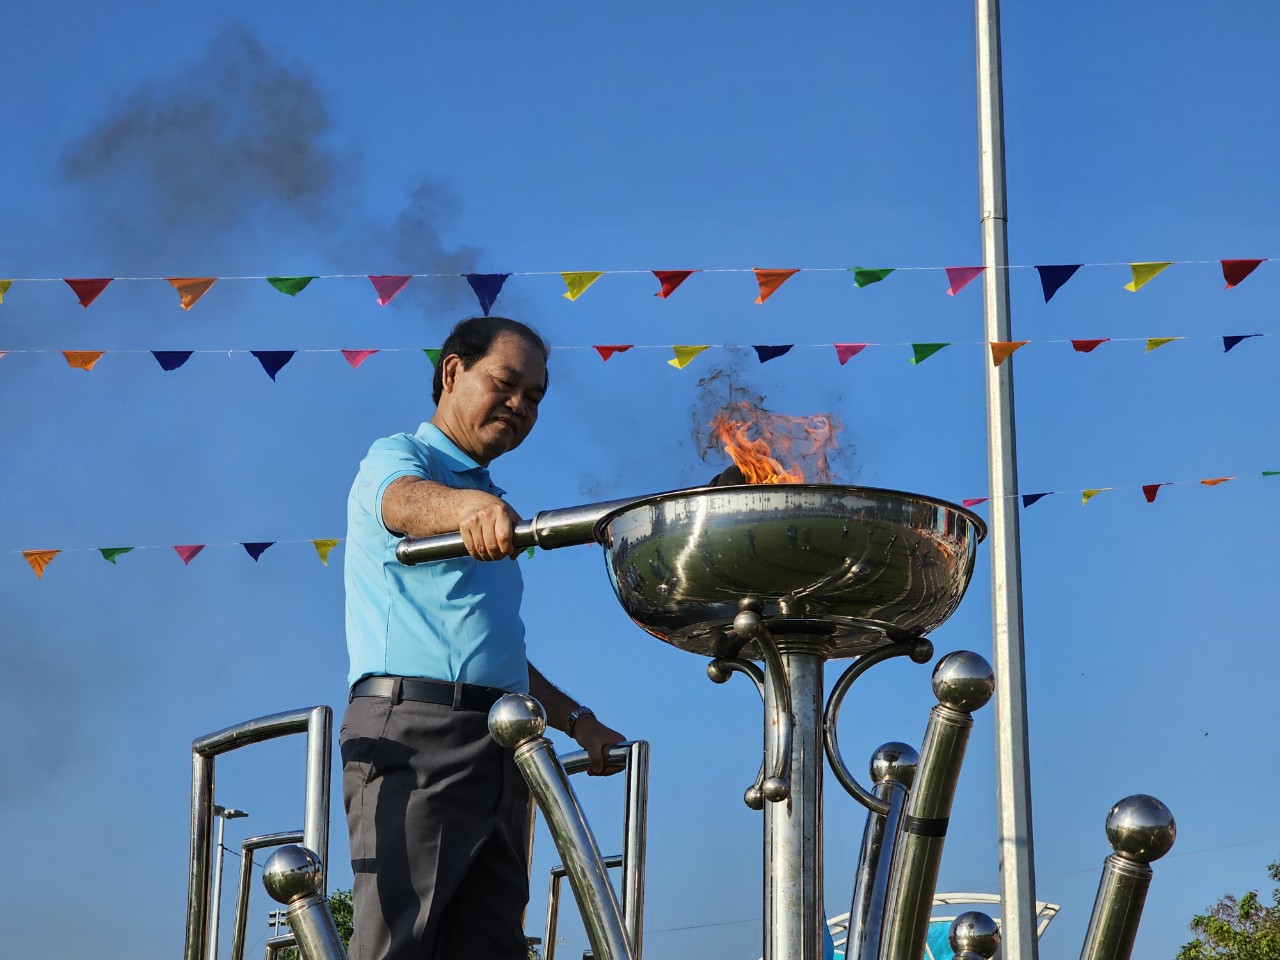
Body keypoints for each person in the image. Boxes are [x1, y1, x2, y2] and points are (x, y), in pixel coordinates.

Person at [340, 316, 625, 960]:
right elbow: (402, 501)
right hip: (415, 734)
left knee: (492, 945)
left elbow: (498, 659)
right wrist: (463, 510)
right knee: (400, 944)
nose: (520, 405)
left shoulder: (489, 493)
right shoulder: (401, 456)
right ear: (452, 372)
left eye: (535, 397)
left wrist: (577, 721)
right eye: (506, 383)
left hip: (503, 742)